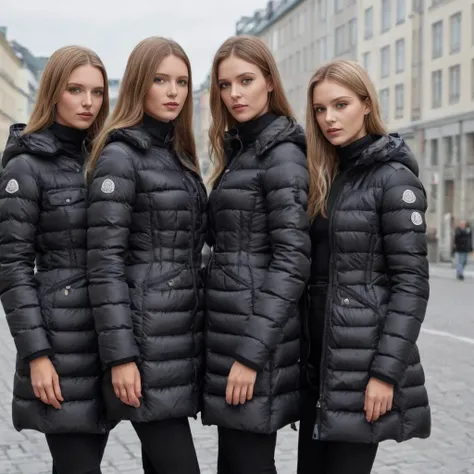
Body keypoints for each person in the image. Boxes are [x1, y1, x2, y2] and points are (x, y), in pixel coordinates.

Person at [297, 59, 431, 474]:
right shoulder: (327, 174)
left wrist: (385, 374)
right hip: (320, 364)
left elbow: (411, 285)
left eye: (340, 105)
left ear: (366, 104)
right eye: (320, 110)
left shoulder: (393, 179)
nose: (329, 118)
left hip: (363, 364)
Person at [86, 36, 206, 474]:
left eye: (181, 81)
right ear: (139, 83)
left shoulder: (175, 155)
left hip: (177, 344)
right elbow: (104, 263)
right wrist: (121, 357)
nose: (173, 91)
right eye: (160, 80)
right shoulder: (120, 156)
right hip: (145, 348)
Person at [0, 46, 112, 474]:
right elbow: (12, 268)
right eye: (75, 89)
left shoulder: (102, 161)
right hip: (59, 347)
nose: (88, 102)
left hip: (101, 344)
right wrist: (37, 355)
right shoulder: (26, 167)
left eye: (97, 92)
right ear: (53, 92)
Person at [203, 35, 311, 474]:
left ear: (269, 81)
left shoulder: (280, 154)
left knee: (248, 463)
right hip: (232, 335)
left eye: (246, 80)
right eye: (225, 85)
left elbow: (292, 259)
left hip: (254, 344)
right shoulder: (243, 150)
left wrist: (251, 356)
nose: (235, 95)